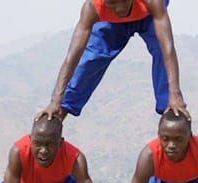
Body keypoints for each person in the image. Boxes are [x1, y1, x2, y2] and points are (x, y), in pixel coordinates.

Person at [35, 0, 190, 121]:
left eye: (123, 1)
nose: (120, 9)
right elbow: (73, 56)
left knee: (161, 51)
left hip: (148, 15)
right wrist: (56, 100)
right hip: (112, 23)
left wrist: (174, 93)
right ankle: (57, 115)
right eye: (112, 2)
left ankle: (171, 112)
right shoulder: (93, 7)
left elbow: (167, 48)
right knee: (89, 60)